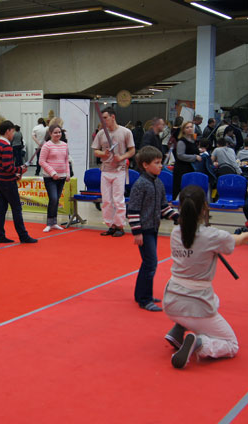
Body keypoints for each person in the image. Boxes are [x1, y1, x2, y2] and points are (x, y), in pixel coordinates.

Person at [163, 185, 248, 369]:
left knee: (214, 299)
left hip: (171, 301)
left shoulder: (175, 232)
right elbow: (239, 239)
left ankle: (178, 330)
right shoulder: (212, 236)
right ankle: (201, 343)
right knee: (231, 345)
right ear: (205, 208)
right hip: (197, 305)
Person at [127, 146, 178, 312]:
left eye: (160, 162)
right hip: (144, 229)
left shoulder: (158, 183)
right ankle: (145, 299)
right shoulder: (140, 185)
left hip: (154, 227)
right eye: (157, 163)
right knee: (151, 263)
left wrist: (177, 217)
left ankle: (140, 294)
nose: (161, 165)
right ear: (145, 165)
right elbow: (132, 210)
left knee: (148, 263)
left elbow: (164, 207)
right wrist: (137, 232)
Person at [92, 107, 136, 237]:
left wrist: (122, 157)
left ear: (113, 117)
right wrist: (103, 154)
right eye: (102, 119)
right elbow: (96, 151)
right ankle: (110, 225)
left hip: (119, 170)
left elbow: (132, 150)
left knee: (118, 200)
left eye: (105, 118)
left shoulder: (125, 132)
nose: (103, 121)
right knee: (106, 200)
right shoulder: (101, 134)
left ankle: (119, 226)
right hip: (105, 170)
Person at [0, 120, 37, 244]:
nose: (13, 134)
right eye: (12, 132)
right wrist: (20, 170)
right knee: (16, 209)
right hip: (7, 182)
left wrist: (15, 173)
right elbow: (8, 167)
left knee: (1, 210)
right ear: (8, 131)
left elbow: (2, 167)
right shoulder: (6, 147)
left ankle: (0, 236)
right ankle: (23, 236)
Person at [38, 123, 70, 232]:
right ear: (50, 134)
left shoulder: (64, 145)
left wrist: (67, 174)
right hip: (49, 177)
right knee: (53, 198)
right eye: (55, 132)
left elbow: (66, 160)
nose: (58, 134)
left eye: (59, 132)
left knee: (56, 200)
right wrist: (52, 173)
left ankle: (54, 222)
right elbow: (41, 161)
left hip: (62, 177)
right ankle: (49, 223)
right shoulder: (47, 145)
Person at [172, 121, 201, 199]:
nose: (190, 129)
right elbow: (180, 155)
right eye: (187, 127)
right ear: (183, 130)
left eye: (191, 127)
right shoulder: (181, 141)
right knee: (181, 189)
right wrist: (195, 157)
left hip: (190, 168)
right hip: (182, 169)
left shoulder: (193, 140)